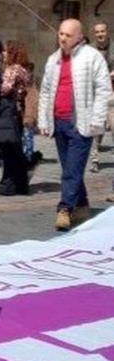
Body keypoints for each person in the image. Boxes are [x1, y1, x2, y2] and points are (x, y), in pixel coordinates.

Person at [38, 19, 112, 230]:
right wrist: (44, 120)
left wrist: (97, 120)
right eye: (60, 33)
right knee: (71, 168)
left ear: (79, 36)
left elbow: (103, 90)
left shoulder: (92, 57)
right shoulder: (53, 60)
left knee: (71, 170)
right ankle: (82, 205)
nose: (62, 38)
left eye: (68, 35)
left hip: (82, 123)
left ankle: (64, 208)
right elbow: (45, 91)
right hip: (59, 122)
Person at [0, 40, 32, 196]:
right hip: (18, 111)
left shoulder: (12, 69)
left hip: (8, 111)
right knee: (15, 149)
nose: (3, 54)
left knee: (9, 149)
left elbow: (5, 89)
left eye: (6, 51)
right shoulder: (24, 70)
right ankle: (20, 182)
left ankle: (8, 184)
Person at [89, 21, 114, 173]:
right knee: (96, 128)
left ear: (107, 32)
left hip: (112, 93)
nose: (100, 34)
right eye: (97, 32)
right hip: (96, 94)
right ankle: (94, 160)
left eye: (102, 31)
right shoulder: (90, 50)